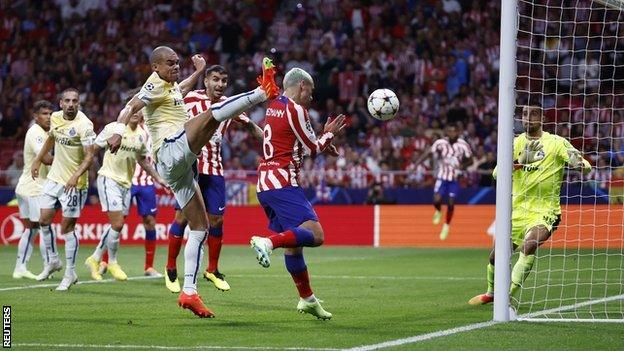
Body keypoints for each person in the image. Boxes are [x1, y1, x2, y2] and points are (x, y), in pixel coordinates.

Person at [107, 46, 279, 318]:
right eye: (170, 64)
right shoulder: (153, 84)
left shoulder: (171, 86)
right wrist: (117, 131)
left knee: (201, 228)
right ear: (156, 67)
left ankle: (189, 292)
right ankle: (263, 91)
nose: (176, 67)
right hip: (168, 149)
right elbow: (130, 106)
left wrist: (198, 72)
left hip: (181, 167)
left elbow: (182, 88)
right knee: (213, 114)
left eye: (177, 63)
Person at [468, 105, 591, 305]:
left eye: (533, 114)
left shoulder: (556, 143)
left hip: (545, 210)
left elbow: (584, 165)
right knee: (495, 258)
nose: (528, 118)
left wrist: (579, 163)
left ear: (542, 118)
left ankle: (505, 296)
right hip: (516, 211)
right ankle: (491, 293)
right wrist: (515, 163)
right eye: (524, 114)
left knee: (529, 245)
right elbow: (496, 174)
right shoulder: (515, 144)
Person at [249, 68, 346, 320]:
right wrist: (329, 134)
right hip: (283, 182)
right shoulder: (296, 110)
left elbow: (292, 145)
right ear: (302, 86)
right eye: (311, 92)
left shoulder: (275, 104)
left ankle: (307, 299)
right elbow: (312, 148)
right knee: (316, 235)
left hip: (265, 184)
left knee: (295, 247)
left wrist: (325, 144)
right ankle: (267, 242)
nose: (311, 98)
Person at [164, 64, 264, 293]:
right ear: (206, 81)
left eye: (224, 80)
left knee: (217, 221)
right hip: (190, 168)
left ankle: (212, 269)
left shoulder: (229, 105)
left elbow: (251, 127)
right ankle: (170, 268)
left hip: (215, 169)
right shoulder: (189, 99)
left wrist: (270, 143)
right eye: (215, 79)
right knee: (181, 218)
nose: (220, 84)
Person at [84, 109, 168, 282]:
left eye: (139, 110)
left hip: (126, 183)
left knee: (119, 225)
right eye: (133, 110)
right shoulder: (114, 128)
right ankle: (112, 262)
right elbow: (93, 148)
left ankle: (95, 258)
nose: (136, 113)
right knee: (118, 222)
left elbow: (143, 160)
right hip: (109, 178)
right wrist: (84, 171)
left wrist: (159, 178)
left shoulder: (141, 135)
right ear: (126, 111)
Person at [31, 88, 96, 290]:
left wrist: (75, 176)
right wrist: (38, 160)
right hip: (54, 178)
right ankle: (52, 261)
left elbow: (89, 157)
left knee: (67, 228)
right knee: (43, 220)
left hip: (75, 185)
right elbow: (51, 138)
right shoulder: (57, 118)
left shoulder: (84, 125)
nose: (70, 104)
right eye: (67, 101)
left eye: (74, 101)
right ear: (60, 103)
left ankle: (70, 272)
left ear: (78, 103)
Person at [12, 100, 54, 280]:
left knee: (32, 228)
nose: (49, 117)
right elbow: (44, 159)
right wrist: (68, 160)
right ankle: (48, 265)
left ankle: (20, 267)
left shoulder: (43, 133)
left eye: (51, 114)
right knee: (44, 227)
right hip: (34, 187)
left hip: (27, 186)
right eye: (44, 114)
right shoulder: (36, 133)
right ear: (35, 116)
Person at [415, 124, 472, 240]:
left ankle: (446, 224)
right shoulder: (441, 143)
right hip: (442, 176)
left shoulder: (463, 145)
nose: (452, 134)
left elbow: (470, 160)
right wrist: (416, 164)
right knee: (436, 199)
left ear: (458, 133)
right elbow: (428, 153)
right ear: (447, 133)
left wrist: (463, 165)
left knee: (451, 203)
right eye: (449, 132)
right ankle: (438, 210)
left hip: (454, 178)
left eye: (454, 132)